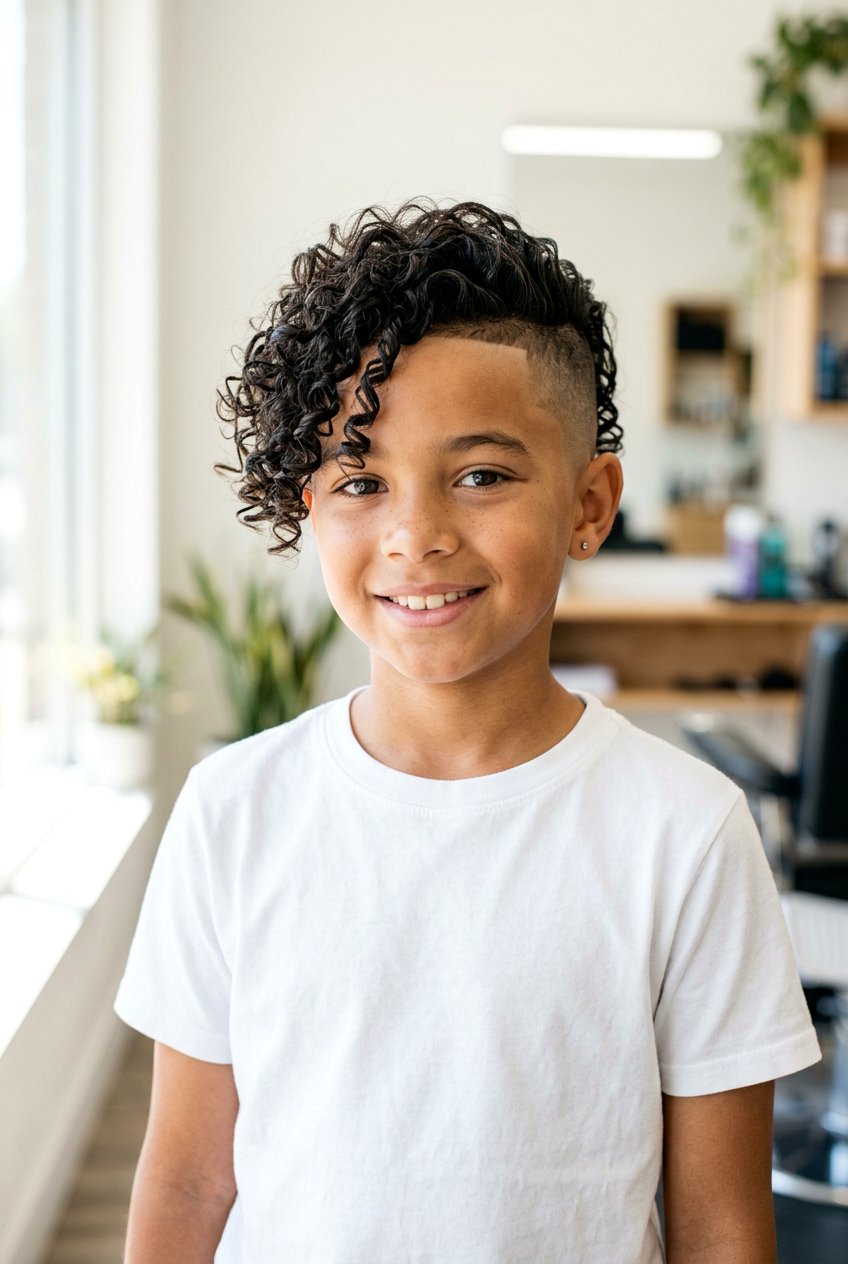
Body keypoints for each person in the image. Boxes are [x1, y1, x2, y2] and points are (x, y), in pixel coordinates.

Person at [114, 200, 821, 1263]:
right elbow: (185, 1180)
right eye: (361, 480)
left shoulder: (684, 833)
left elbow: (721, 1226)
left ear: (589, 504)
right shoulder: (233, 810)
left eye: (481, 474)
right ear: (307, 507)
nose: (416, 535)